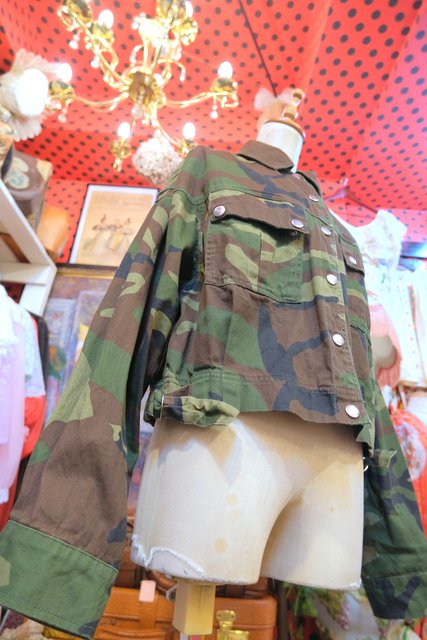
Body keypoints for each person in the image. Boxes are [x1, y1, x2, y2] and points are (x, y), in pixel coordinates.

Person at [0, 91, 426, 639]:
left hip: (334, 481)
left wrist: (400, 553)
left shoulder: (341, 232)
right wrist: (60, 541)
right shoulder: (207, 173)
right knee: (190, 620)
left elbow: (363, 385)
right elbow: (127, 326)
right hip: (222, 456)